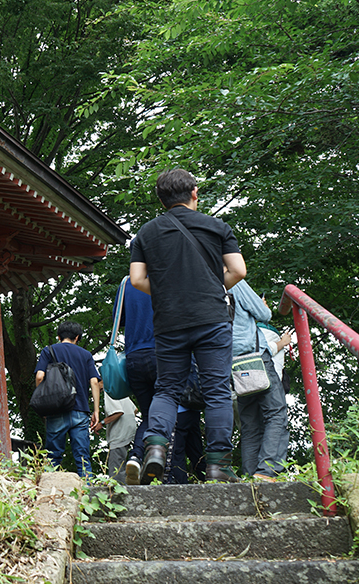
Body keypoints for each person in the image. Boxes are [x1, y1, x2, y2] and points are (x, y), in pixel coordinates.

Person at [129, 168, 247, 483]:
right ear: (194, 193)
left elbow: (138, 279)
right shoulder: (217, 226)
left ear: (161, 199)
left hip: (169, 322)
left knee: (167, 389)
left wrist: (169, 289)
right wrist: (209, 284)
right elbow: (238, 271)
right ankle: (218, 466)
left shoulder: (146, 233)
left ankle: (154, 448)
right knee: (217, 390)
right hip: (211, 318)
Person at [230, 279, 292, 480]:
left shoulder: (201, 284)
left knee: (249, 424)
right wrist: (261, 305)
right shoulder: (232, 282)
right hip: (254, 358)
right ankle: (267, 471)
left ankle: (250, 474)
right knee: (276, 413)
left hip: (231, 363)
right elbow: (264, 314)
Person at [34, 320, 102, 477]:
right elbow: (94, 381)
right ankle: (88, 493)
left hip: (56, 409)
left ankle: (49, 494)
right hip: (80, 411)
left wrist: (44, 402)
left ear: (58, 337)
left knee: (53, 457)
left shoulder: (48, 351)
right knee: (83, 459)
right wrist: (96, 410)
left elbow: (39, 376)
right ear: (77, 337)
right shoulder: (86, 355)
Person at [112, 278, 157, 484]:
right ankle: (166, 469)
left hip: (133, 357)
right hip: (162, 352)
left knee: (148, 414)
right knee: (171, 411)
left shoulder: (125, 284)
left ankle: (136, 456)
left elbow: (118, 319)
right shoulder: (166, 274)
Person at [100, 391, 137, 484]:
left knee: (116, 468)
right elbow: (135, 409)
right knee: (123, 463)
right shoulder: (119, 391)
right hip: (130, 430)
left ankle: (118, 493)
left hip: (119, 433)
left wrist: (101, 423)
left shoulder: (108, 392)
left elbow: (118, 412)